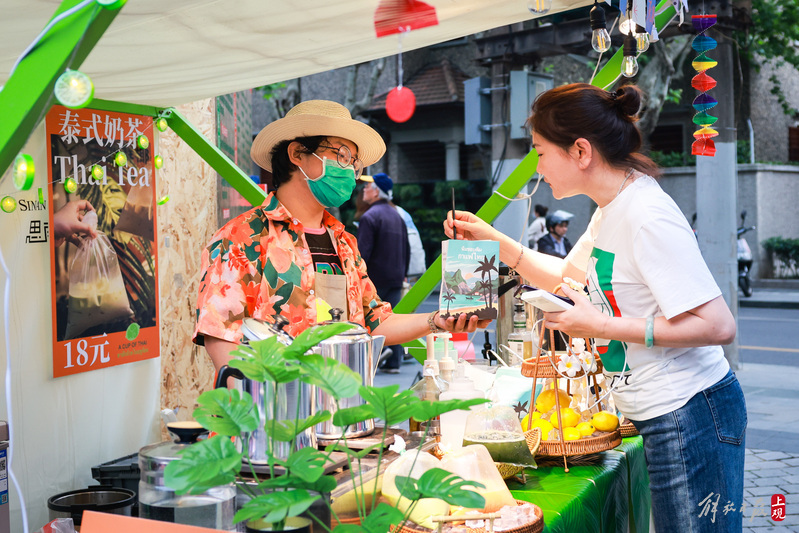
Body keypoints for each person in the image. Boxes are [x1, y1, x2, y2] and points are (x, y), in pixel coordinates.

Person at [445, 84, 743, 532]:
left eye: (541, 153)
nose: (539, 169)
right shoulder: (611, 208)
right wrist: (497, 243)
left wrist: (600, 323)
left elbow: (718, 325)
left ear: (580, 151)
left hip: (691, 412)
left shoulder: (646, 215)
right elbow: (568, 275)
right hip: (667, 415)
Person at [193, 100, 489, 372]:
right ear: (297, 154)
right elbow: (221, 334)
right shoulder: (241, 238)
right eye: (342, 156)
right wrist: (256, 413)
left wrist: (437, 320)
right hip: (276, 418)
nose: (350, 171)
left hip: (346, 418)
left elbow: (374, 322)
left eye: (354, 163)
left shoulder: (344, 242)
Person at [357, 173, 410, 373]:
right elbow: (406, 248)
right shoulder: (397, 215)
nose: (364, 190)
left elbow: (362, 252)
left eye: (368, 187)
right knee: (391, 317)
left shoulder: (369, 216)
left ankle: (374, 355)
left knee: (369, 318)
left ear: (377, 191)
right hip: (395, 276)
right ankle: (393, 361)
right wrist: (403, 273)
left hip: (374, 278)